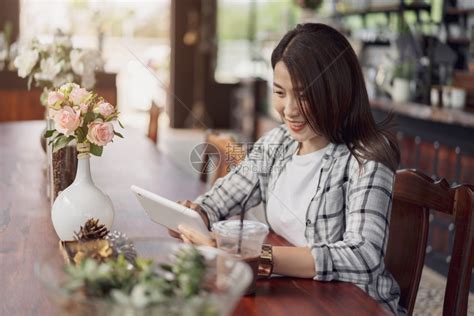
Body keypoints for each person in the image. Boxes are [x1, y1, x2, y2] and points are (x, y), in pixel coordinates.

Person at [172, 23, 403, 315]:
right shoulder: (279, 140)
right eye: (280, 93)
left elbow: (363, 257)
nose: (289, 109)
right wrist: (196, 214)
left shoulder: (366, 156)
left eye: (304, 96)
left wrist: (260, 257)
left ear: (337, 92)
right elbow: (229, 192)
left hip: (351, 305)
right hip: (298, 293)